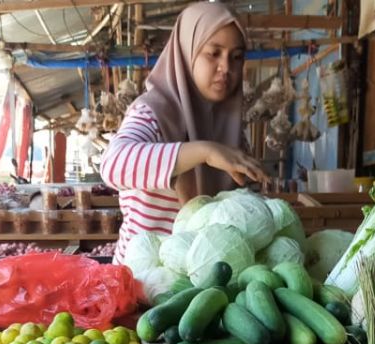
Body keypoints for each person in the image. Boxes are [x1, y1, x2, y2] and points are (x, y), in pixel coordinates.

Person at [101, 1, 266, 264]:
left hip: (202, 281)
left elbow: (244, 206)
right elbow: (112, 165)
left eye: (236, 57)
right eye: (213, 53)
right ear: (187, 53)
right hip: (141, 282)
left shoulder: (231, 132)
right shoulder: (152, 112)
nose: (226, 67)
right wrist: (204, 151)